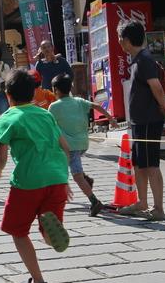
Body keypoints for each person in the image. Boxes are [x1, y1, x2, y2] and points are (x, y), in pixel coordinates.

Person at [0, 69, 71, 283]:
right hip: (56, 178)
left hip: (28, 181)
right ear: (33, 93)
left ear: (8, 95)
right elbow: (64, 147)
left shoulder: (8, 117)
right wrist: (64, 179)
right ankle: (49, 236)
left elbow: (2, 155)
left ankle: (38, 282)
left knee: (18, 231)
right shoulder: (45, 114)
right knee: (47, 225)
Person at [117, 19, 165, 221]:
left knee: (151, 164)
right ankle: (142, 202)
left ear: (126, 40)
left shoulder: (144, 60)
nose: (119, 43)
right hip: (139, 121)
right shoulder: (137, 60)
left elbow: (156, 87)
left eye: (120, 39)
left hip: (150, 120)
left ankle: (158, 208)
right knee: (139, 163)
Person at [50, 74, 117, 217]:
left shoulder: (54, 107)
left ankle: (94, 201)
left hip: (69, 147)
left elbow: (48, 125)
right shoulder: (79, 101)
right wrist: (111, 119)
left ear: (55, 90)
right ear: (70, 88)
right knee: (71, 166)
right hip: (82, 144)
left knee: (74, 175)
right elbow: (97, 106)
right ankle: (85, 179)